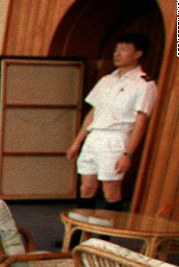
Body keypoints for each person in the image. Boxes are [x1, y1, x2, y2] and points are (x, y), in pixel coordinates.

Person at [66, 32, 157, 213]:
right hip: (94, 137)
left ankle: (105, 237)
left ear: (138, 54)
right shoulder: (107, 80)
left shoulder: (144, 84)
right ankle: (79, 234)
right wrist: (77, 142)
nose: (117, 54)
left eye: (124, 50)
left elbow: (141, 122)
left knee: (110, 190)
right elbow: (93, 113)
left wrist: (128, 154)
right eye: (117, 49)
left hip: (116, 139)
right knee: (86, 188)